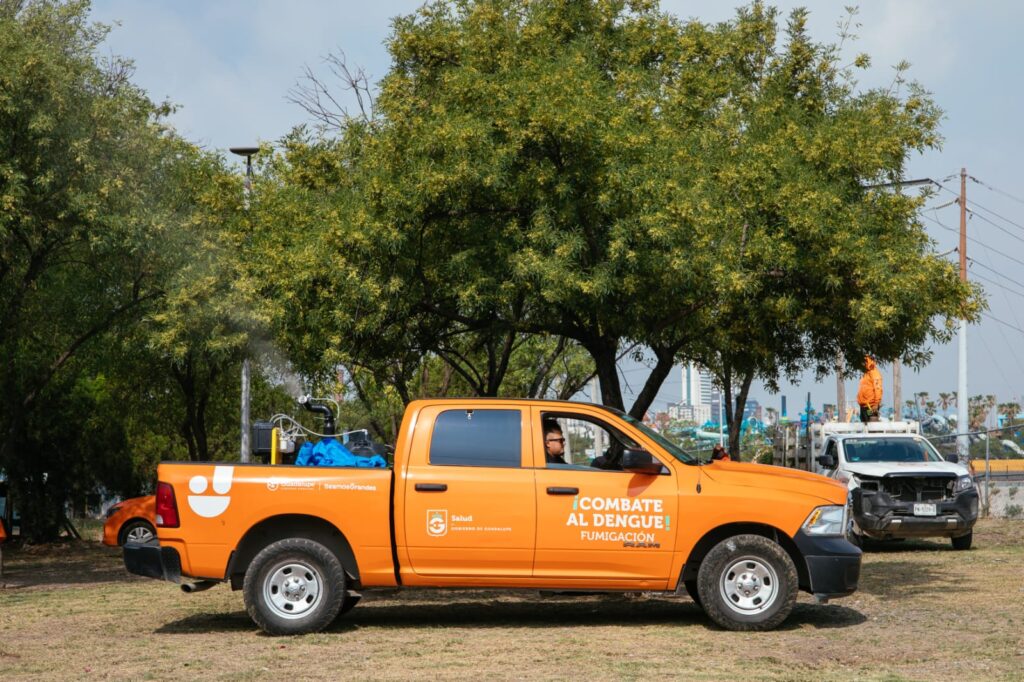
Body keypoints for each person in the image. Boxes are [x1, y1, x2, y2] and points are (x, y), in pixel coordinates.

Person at [857, 355, 883, 422]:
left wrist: (876, 404)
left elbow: (878, 389)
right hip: (863, 406)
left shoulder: (874, 373)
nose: (862, 363)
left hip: (871, 407)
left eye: (864, 361)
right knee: (864, 424)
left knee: (871, 423)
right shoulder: (866, 373)